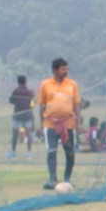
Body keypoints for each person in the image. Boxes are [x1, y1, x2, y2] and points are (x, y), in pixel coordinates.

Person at [38, 58, 81, 189]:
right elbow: (41, 105)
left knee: (70, 151)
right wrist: (41, 123)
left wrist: (79, 123)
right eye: (63, 69)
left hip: (69, 124)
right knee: (51, 151)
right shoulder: (45, 84)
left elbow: (77, 105)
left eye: (66, 69)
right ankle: (52, 179)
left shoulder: (72, 84)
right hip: (50, 124)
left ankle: (67, 178)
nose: (65, 72)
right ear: (55, 70)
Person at [8, 75, 35, 159]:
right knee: (28, 133)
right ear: (25, 81)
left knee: (15, 133)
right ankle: (29, 152)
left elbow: (11, 101)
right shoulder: (29, 92)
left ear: (18, 82)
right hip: (28, 114)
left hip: (18, 114)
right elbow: (32, 99)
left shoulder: (16, 91)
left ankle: (13, 151)